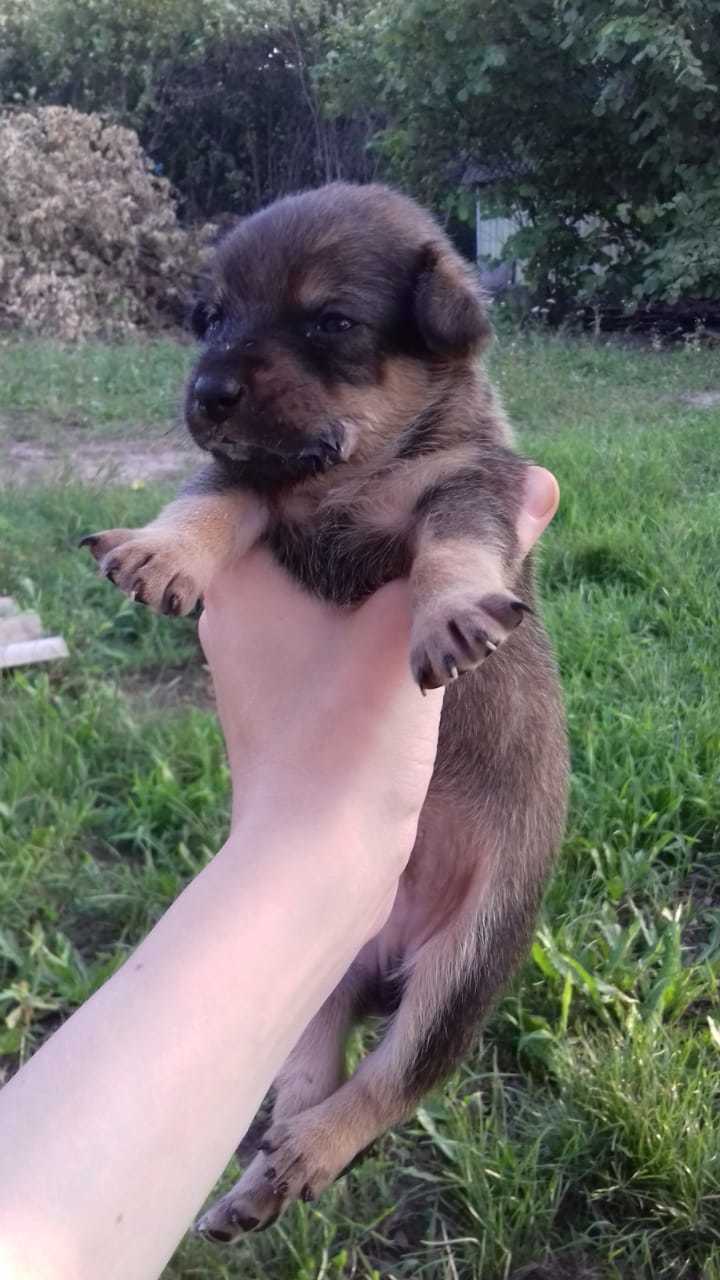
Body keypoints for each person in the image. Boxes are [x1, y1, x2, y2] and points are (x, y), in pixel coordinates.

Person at [0, 469, 559, 1280]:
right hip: (342, 828)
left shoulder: (450, 447)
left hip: (484, 830)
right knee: (307, 1031)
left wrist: (456, 582)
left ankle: (352, 1119)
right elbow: (235, 489)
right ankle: (299, 1122)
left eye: (333, 331)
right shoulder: (279, 452)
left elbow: (473, 512)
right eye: (215, 331)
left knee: (455, 975)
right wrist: (184, 542)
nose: (223, 376)